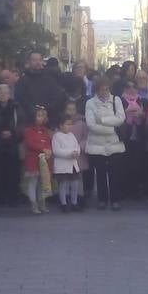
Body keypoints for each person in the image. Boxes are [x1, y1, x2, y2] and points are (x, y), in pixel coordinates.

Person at [85, 76, 126, 211]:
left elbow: (120, 119)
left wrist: (101, 120)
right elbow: (91, 124)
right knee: (101, 174)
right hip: (97, 145)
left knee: (115, 173)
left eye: (107, 89)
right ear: (97, 90)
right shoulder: (90, 103)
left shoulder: (116, 100)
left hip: (115, 144)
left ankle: (115, 200)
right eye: (102, 90)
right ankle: (102, 199)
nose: (105, 92)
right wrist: (110, 126)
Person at [17, 52, 67, 127]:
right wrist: (35, 113)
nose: (37, 62)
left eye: (40, 60)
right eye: (34, 60)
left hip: (48, 121)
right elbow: (22, 100)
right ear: (29, 62)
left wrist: (45, 111)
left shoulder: (50, 79)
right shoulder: (23, 81)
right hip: (29, 122)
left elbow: (56, 98)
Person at [52, 115, 82, 212]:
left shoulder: (72, 135)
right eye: (67, 124)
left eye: (70, 124)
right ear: (61, 125)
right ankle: (63, 203)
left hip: (72, 164)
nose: (69, 126)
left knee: (75, 184)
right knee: (63, 185)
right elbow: (56, 151)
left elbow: (77, 146)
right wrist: (70, 153)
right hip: (62, 165)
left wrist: (77, 152)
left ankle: (74, 202)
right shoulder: (56, 136)